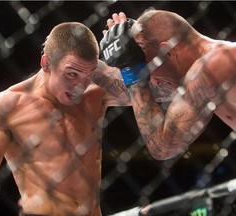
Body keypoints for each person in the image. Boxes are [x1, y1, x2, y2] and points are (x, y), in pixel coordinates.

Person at [0, 22, 131, 216]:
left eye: (88, 74)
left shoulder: (95, 90)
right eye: (72, 74)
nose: (81, 85)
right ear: (46, 63)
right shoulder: (6, 107)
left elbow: (156, 93)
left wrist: (133, 57)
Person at [100, 10, 236, 161]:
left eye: (150, 70)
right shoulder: (204, 76)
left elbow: (163, 147)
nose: (154, 81)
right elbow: (120, 89)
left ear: (167, 51)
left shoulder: (214, 65)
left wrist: (132, 72)